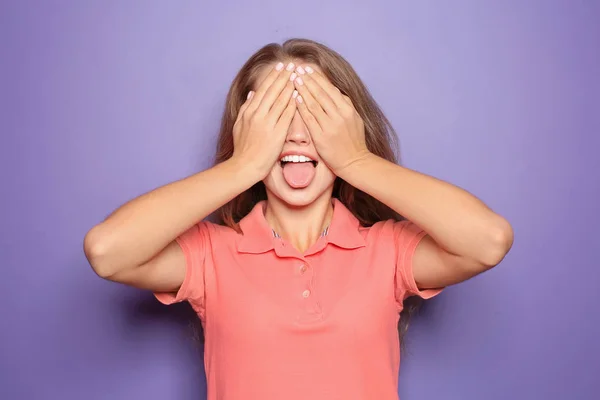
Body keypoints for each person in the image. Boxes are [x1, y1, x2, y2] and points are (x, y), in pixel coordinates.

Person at [83, 38, 513, 400]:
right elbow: (108, 252)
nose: (296, 134)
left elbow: (488, 240)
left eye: (315, 116)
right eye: (276, 118)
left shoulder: (387, 251)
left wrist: (356, 159)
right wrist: (243, 165)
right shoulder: (211, 253)